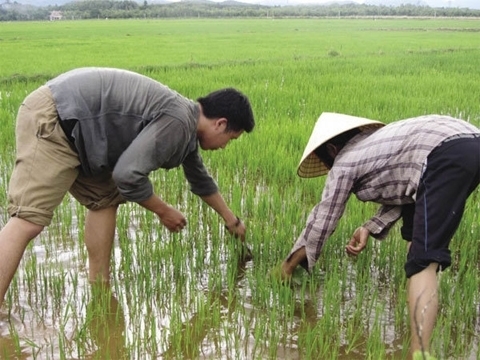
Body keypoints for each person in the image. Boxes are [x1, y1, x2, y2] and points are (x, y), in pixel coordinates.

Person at [0, 67, 255, 308]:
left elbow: (200, 180)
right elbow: (127, 176)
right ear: (220, 124)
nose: (224, 146)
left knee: (105, 200)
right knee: (29, 219)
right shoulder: (179, 121)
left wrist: (231, 221)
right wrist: (163, 210)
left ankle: (100, 290)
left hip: (79, 127)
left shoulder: (185, 125)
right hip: (56, 117)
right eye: (230, 139)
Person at [278, 112, 480, 359]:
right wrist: (369, 227)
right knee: (415, 243)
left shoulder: (344, 162)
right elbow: (402, 188)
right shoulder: (376, 143)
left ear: (332, 149)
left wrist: (287, 267)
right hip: (467, 143)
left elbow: (323, 222)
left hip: (441, 156)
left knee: (423, 260)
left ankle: (420, 354)